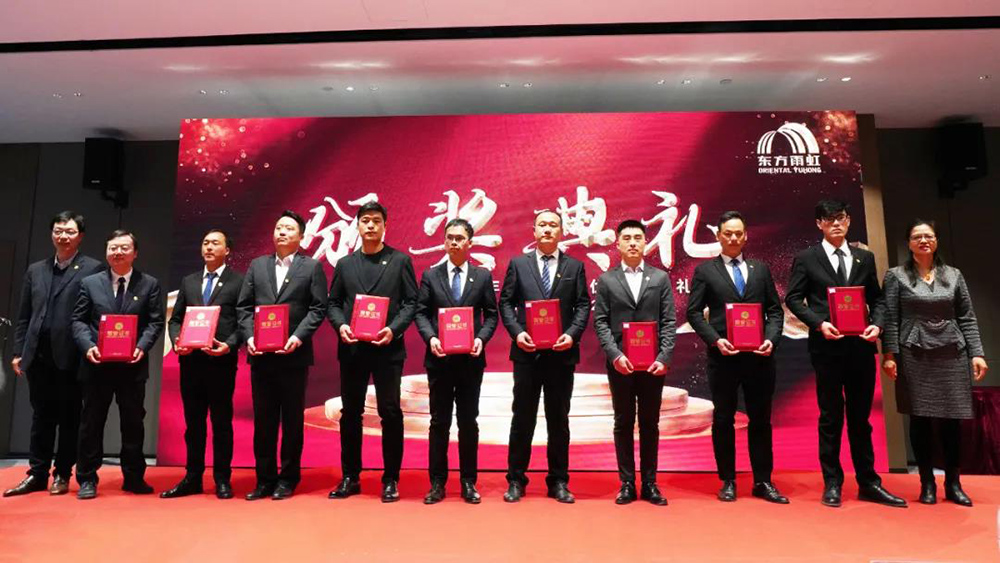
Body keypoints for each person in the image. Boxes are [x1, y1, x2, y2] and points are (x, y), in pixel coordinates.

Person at [785, 200, 906, 508]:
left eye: (840, 218)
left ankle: (868, 482)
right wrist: (818, 323)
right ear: (819, 224)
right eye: (828, 219)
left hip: (861, 346)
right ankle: (832, 482)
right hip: (826, 347)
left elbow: (877, 300)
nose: (835, 223)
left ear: (849, 221)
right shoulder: (806, 258)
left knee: (860, 418)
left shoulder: (865, 257)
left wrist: (877, 325)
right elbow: (794, 299)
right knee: (830, 417)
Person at [882, 219, 989, 506]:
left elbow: (967, 316)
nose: (923, 240)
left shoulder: (953, 275)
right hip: (914, 353)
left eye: (928, 236)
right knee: (920, 419)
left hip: (952, 352)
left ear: (936, 241)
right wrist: (889, 355)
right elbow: (890, 318)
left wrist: (977, 353)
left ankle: (953, 483)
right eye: (917, 236)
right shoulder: (895, 276)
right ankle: (926, 482)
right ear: (909, 243)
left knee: (952, 420)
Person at [686, 211, 788, 504]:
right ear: (718, 236)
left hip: (759, 358)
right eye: (728, 233)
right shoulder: (705, 271)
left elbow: (775, 311)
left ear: (745, 236)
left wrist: (770, 339)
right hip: (724, 358)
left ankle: (763, 481)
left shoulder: (760, 269)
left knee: (761, 420)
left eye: (738, 233)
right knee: (723, 419)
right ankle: (728, 480)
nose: (733, 238)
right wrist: (715, 340)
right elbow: (694, 312)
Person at [4, 211, 103, 497]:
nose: (63, 236)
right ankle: (37, 473)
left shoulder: (93, 269)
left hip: (72, 356)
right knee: (41, 417)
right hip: (38, 355)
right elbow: (24, 315)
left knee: (70, 418)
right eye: (58, 230)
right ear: (52, 234)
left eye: (69, 232)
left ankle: (62, 473)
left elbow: (94, 314)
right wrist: (19, 351)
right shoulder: (36, 270)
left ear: (80, 237)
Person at [327, 201, 418, 503]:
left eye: (376, 220)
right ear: (357, 225)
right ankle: (350, 476)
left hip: (387, 349)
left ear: (385, 225)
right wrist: (341, 326)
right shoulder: (345, 264)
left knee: (389, 412)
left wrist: (394, 329)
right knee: (350, 413)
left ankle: (390, 478)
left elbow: (411, 303)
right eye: (365, 220)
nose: (370, 225)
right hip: (353, 348)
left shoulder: (400, 261)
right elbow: (333, 303)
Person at [499, 210, 590, 504]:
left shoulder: (575, 266)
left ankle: (558, 481)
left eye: (553, 225)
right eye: (542, 225)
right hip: (527, 354)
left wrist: (572, 335)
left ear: (561, 231)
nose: (547, 229)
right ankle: (516, 479)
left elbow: (583, 306)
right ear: (534, 231)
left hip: (561, 355)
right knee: (522, 419)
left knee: (558, 420)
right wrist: (517, 333)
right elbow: (506, 303)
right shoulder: (518, 264)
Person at [237, 210, 328, 500]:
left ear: (301, 236)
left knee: (291, 421)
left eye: (289, 228)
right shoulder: (258, 265)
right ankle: (264, 479)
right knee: (264, 421)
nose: (282, 232)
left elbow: (318, 308)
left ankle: (288, 478)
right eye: (278, 227)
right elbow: (243, 307)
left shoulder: (311, 267)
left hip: (293, 356)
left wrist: (297, 337)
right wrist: (250, 337)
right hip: (261, 356)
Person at [72, 230, 164, 500]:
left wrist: (142, 347)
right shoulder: (90, 283)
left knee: (133, 423)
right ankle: (87, 478)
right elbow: (78, 320)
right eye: (113, 248)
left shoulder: (149, 284)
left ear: (135, 253)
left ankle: (133, 477)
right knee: (91, 423)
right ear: (106, 252)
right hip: (96, 365)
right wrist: (88, 346)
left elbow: (155, 321)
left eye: (124, 248)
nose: (118, 252)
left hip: (132, 367)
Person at [414, 218, 499, 504]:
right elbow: (421, 312)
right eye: (449, 237)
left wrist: (481, 338)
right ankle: (437, 482)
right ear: (444, 241)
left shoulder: (482, 276)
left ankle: (468, 481)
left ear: (469, 243)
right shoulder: (431, 275)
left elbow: (491, 315)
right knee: (439, 422)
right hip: (439, 360)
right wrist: (431, 338)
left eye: (459, 238)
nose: (454, 242)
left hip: (470, 361)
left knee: (468, 422)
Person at [592, 220, 674, 506]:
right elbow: (601, 322)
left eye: (637, 237)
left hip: (653, 366)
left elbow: (669, 321)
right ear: (618, 244)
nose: (632, 243)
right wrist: (615, 355)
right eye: (626, 238)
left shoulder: (660, 278)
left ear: (645, 242)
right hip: (621, 364)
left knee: (650, 423)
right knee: (623, 422)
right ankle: (626, 483)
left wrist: (664, 357)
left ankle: (650, 483)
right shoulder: (607, 280)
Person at [162, 230, 244, 500]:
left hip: (221, 363)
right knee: (193, 424)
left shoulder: (239, 281)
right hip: (191, 363)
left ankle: (222, 479)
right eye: (205, 243)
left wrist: (229, 344)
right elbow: (176, 319)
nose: (209, 247)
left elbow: (244, 321)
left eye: (215, 243)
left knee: (221, 423)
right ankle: (192, 477)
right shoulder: (189, 281)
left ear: (227, 250)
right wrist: (177, 340)